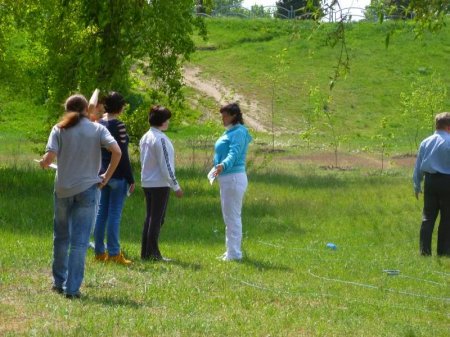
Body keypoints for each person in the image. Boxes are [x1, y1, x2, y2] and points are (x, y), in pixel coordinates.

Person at [40, 94, 121, 298]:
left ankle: (58, 282)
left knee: (61, 237)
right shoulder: (97, 129)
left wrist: (43, 162)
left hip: (63, 190)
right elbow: (117, 151)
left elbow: (49, 158)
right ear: (87, 109)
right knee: (79, 241)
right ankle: (72, 289)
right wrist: (105, 176)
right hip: (87, 189)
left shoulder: (59, 129)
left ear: (67, 109)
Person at [93, 92, 135, 265]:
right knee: (114, 215)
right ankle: (114, 253)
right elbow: (122, 153)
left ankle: (99, 252)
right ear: (120, 106)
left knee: (101, 213)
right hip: (117, 175)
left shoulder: (98, 123)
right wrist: (130, 177)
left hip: (102, 173)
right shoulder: (119, 125)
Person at [140, 105, 183, 261]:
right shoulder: (160, 139)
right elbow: (166, 164)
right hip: (159, 183)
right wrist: (175, 185)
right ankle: (154, 253)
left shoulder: (146, 136)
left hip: (147, 182)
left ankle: (145, 252)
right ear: (163, 121)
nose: (168, 122)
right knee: (157, 219)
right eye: (167, 120)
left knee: (150, 217)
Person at [212, 103, 252, 261]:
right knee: (229, 216)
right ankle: (231, 251)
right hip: (227, 178)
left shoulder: (239, 133)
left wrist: (223, 165)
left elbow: (234, 153)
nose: (222, 118)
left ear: (234, 116)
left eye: (225, 116)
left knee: (233, 217)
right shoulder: (231, 131)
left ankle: (234, 254)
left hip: (233, 178)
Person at [413, 111, 450, 257]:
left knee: (428, 217)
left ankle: (424, 251)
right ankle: (443, 251)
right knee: (447, 218)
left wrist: (417, 185)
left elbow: (418, 166)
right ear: (448, 126)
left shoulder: (425, 142)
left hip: (430, 182)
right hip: (447, 182)